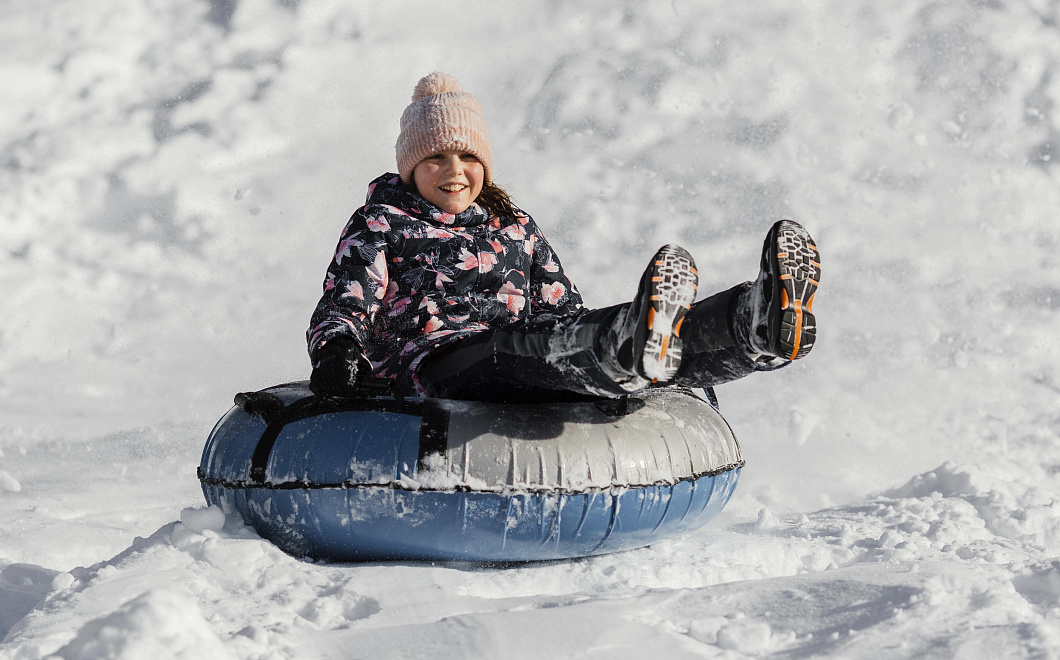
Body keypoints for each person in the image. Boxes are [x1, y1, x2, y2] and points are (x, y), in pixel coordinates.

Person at [307, 72, 820, 403]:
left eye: (468, 157)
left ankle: (748, 327)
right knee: (513, 349)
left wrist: (588, 328)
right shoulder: (383, 223)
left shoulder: (514, 226)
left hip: (523, 352)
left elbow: (563, 308)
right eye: (435, 158)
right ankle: (624, 351)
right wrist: (337, 352)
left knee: (581, 333)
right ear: (410, 167)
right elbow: (345, 302)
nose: (454, 171)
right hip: (434, 363)